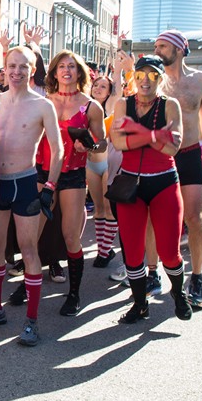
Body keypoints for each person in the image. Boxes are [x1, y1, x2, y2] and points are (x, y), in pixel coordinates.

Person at [0, 45, 62, 345]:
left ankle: (32, 321)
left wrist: (49, 187)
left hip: (24, 182)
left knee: (28, 248)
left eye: (23, 66)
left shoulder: (43, 105)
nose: (17, 71)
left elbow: (58, 150)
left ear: (32, 70)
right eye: (12, 65)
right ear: (4, 68)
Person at [109, 56, 193, 323]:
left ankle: (179, 294)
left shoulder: (170, 105)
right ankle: (140, 304)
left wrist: (134, 130)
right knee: (132, 252)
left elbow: (173, 149)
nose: (146, 80)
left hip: (164, 183)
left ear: (161, 78)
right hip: (130, 184)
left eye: (153, 75)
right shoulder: (123, 104)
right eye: (141, 75)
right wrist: (156, 135)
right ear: (134, 77)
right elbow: (119, 143)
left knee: (169, 251)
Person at [154, 30, 202, 310]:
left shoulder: (201, 80)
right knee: (156, 218)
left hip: (191, 155)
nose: (157, 50)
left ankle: (197, 277)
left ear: (179, 50)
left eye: (163, 46)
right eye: (156, 45)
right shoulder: (154, 80)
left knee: (194, 217)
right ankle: (151, 272)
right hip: (161, 156)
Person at [41, 50, 106, 316]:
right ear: (54, 72)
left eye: (72, 66)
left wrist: (88, 146)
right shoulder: (43, 101)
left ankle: (74, 294)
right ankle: (27, 283)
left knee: (71, 236)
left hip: (74, 175)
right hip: (42, 172)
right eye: (61, 66)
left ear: (79, 72)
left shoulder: (92, 106)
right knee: (32, 234)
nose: (66, 70)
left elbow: (102, 145)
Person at [87, 72, 122, 268]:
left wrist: (119, 63)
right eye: (96, 85)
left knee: (109, 209)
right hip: (91, 163)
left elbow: (118, 87)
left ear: (110, 92)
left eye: (103, 86)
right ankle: (104, 249)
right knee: (98, 208)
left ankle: (104, 250)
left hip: (110, 162)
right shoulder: (86, 107)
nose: (98, 89)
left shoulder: (112, 108)